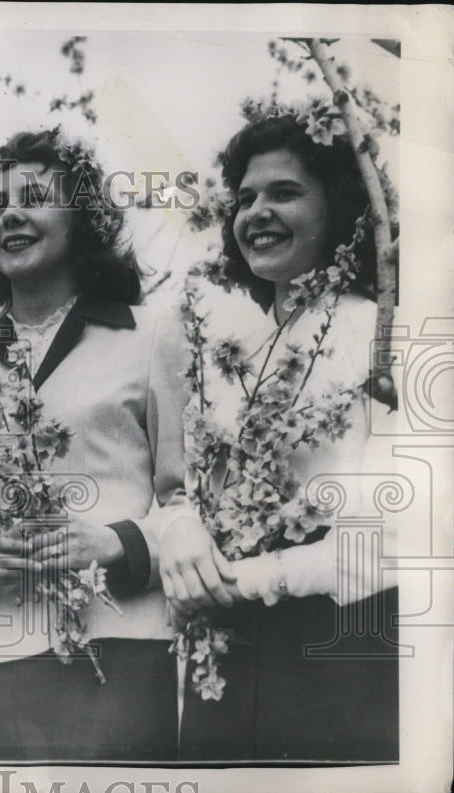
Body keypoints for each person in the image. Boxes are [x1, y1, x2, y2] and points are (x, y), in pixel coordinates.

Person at [0, 129, 189, 762]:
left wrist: (119, 541)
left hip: (118, 654)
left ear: (82, 219)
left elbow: (193, 501)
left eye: (35, 196)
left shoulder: (152, 336)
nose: (9, 213)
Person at [164, 114, 399, 762]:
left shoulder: (383, 335)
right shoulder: (225, 355)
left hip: (343, 654)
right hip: (226, 661)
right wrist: (181, 532)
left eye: (284, 193)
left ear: (340, 204)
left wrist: (253, 577)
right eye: (244, 199)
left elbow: (399, 539)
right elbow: (185, 487)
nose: (257, 212)